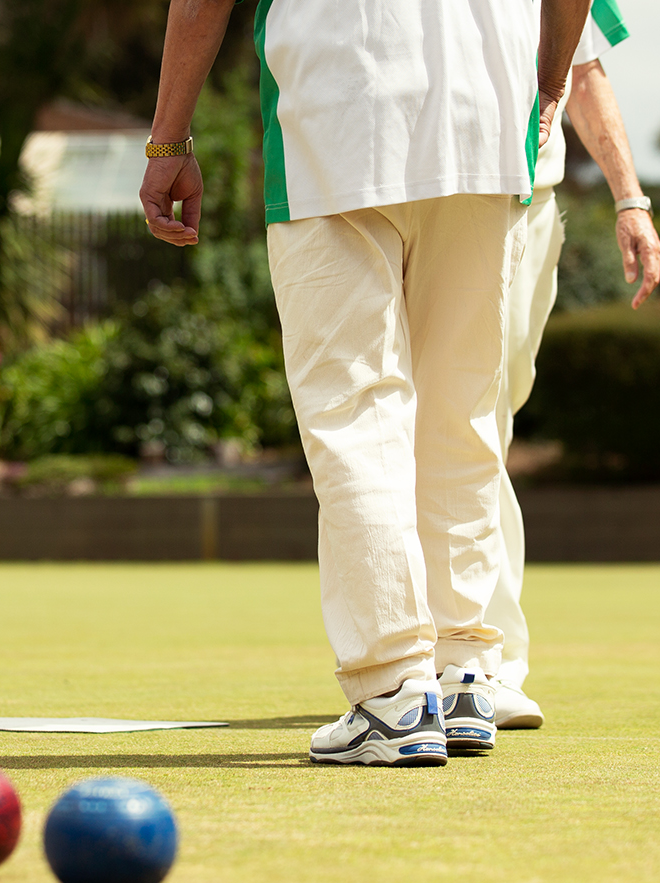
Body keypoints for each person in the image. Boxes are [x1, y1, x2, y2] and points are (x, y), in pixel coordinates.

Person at [141, 0, 593, 767]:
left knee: (356, 412)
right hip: (486, 115)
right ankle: (462, 675)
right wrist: (548, 85)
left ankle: (393, 692)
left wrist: (168, 140)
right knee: (462, 413)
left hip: (340, 111)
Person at [484, 2, 660, 730]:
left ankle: (462, 655)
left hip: (526, 203)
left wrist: (631, 199)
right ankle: (474, 660)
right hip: (409, 195)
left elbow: (583, 69)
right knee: (446, 421)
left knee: (484, 422)